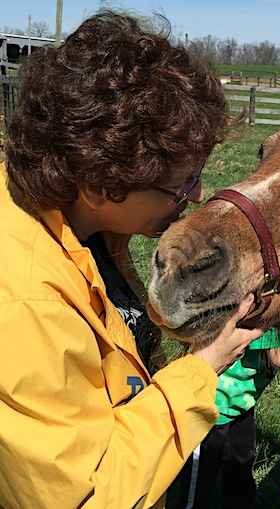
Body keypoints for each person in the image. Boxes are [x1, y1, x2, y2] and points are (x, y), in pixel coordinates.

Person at [0, 11, 263, 509]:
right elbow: (87, 495)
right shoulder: (25, 304)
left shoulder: (83, 227)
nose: (196, 194)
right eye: (181, 184)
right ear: (103, 185)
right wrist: (202, 370)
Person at [168, 328, 280, 509]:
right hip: (209, 410)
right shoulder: (261, 313)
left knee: (240, 466)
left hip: (240, 407)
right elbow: (279, 356)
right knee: (199, 481)